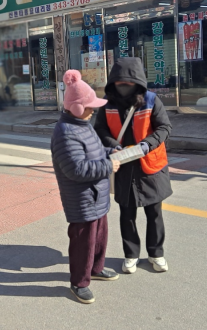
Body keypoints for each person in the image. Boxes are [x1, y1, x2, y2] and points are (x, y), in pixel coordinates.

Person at [94, 57, 173, 274]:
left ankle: (156, 254)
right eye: (119, 83)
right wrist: (113, 146)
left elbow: (165, 127)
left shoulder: (151, 100)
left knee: (154, 213)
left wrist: (147, 144)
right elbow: (100, 129)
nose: (123, 87)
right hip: (123, 166)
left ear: (137, 82)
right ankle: (131, 255)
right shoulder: (107, 103)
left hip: (150, 165)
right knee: (126, 214)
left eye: (128, 83)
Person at [51, 70, 120, 304]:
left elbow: (96, 151)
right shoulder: (65, 132)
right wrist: (108, 165)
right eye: (90, 107)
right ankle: (79, 282)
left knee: (99, 236)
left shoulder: (83, 124)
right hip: (82, 198)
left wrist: (111, 152)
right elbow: (76, 169)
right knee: (84, 242)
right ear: (77, 107)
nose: (93, 110)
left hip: (96, 193)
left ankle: (96, 269)